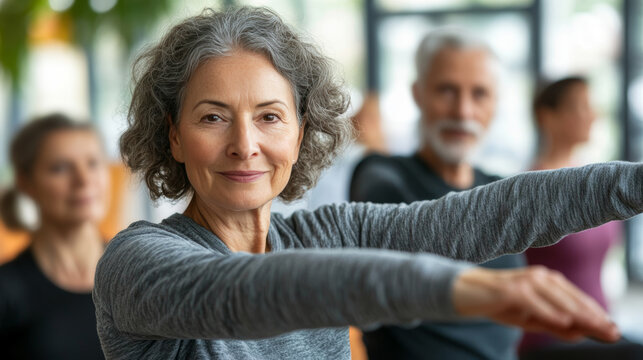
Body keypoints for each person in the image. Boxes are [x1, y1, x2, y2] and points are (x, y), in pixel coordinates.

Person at [93, 7, 642, 360]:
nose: (245, 145)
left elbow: (484, 215)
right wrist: (472, 290)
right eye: (213, 117)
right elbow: (253, 291)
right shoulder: (137, 260)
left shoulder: (321, 234)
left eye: (269, 117)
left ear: (301, 131)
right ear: (173, 136)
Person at [350, 28, 525, 360]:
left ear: (496, 104)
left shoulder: (503, 188)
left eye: (479, 94)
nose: (463, 112)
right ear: (417, 93)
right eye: (447, 90)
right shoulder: (382, 175)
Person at [520, 77, 643, 359]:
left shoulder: (593, 185)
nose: (592, 116)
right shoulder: (531, 190)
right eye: (579, 107)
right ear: (546, 117)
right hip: (548, 338)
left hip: (599, 328)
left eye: (591, 106)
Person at [0, 114, 108, 359]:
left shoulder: (143, 273)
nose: (83, 180)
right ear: (26, 183)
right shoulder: (7, 291)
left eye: (93, 163)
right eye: (60, 168)